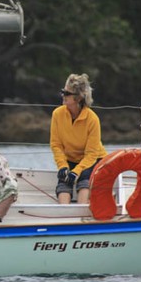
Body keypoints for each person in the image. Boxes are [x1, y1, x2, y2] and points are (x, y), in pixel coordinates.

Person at [50, 73, 107, 204]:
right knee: (63, 181)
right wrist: (63, 166)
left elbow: (91, 154)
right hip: (70, 158)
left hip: (93, 159)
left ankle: (81, 216)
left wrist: (76, 172)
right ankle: (64, 215)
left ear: (79, 98)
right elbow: (56, 145)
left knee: (84, 180)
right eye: (62, 91)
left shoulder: (93, 119)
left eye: (67, 93)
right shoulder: (57, 114)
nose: (63, 95)